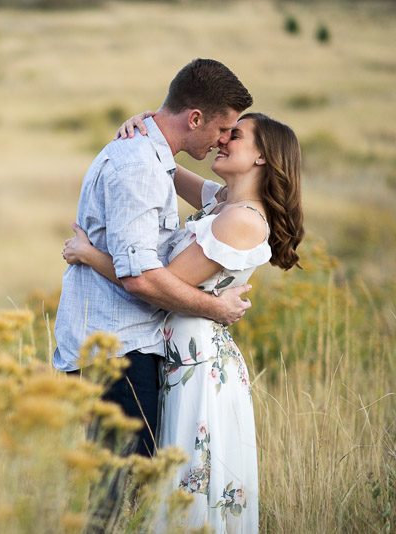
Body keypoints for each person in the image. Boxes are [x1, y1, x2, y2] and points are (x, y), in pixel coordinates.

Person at [63, 110, 304, 533]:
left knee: (187, 480)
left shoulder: (240, 220)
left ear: (262, 157)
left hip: (197, 362)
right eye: (225, 131)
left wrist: (88, 255)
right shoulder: (225, 202)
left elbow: (159, 282)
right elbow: (166, 165)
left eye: (236, 135)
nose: (223, 140)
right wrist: (145, 127)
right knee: (164, 473)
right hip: (179, 350)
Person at [54, 58, 254, 461]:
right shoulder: (140, 167)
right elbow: (140, 279)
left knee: (124, 487)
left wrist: (151, 126)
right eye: (220, 129)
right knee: (120, 492)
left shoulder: (153, 160)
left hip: (126, 347)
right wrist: (216, 308)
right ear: (195, 118)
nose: (222, 140)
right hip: (116, 353)